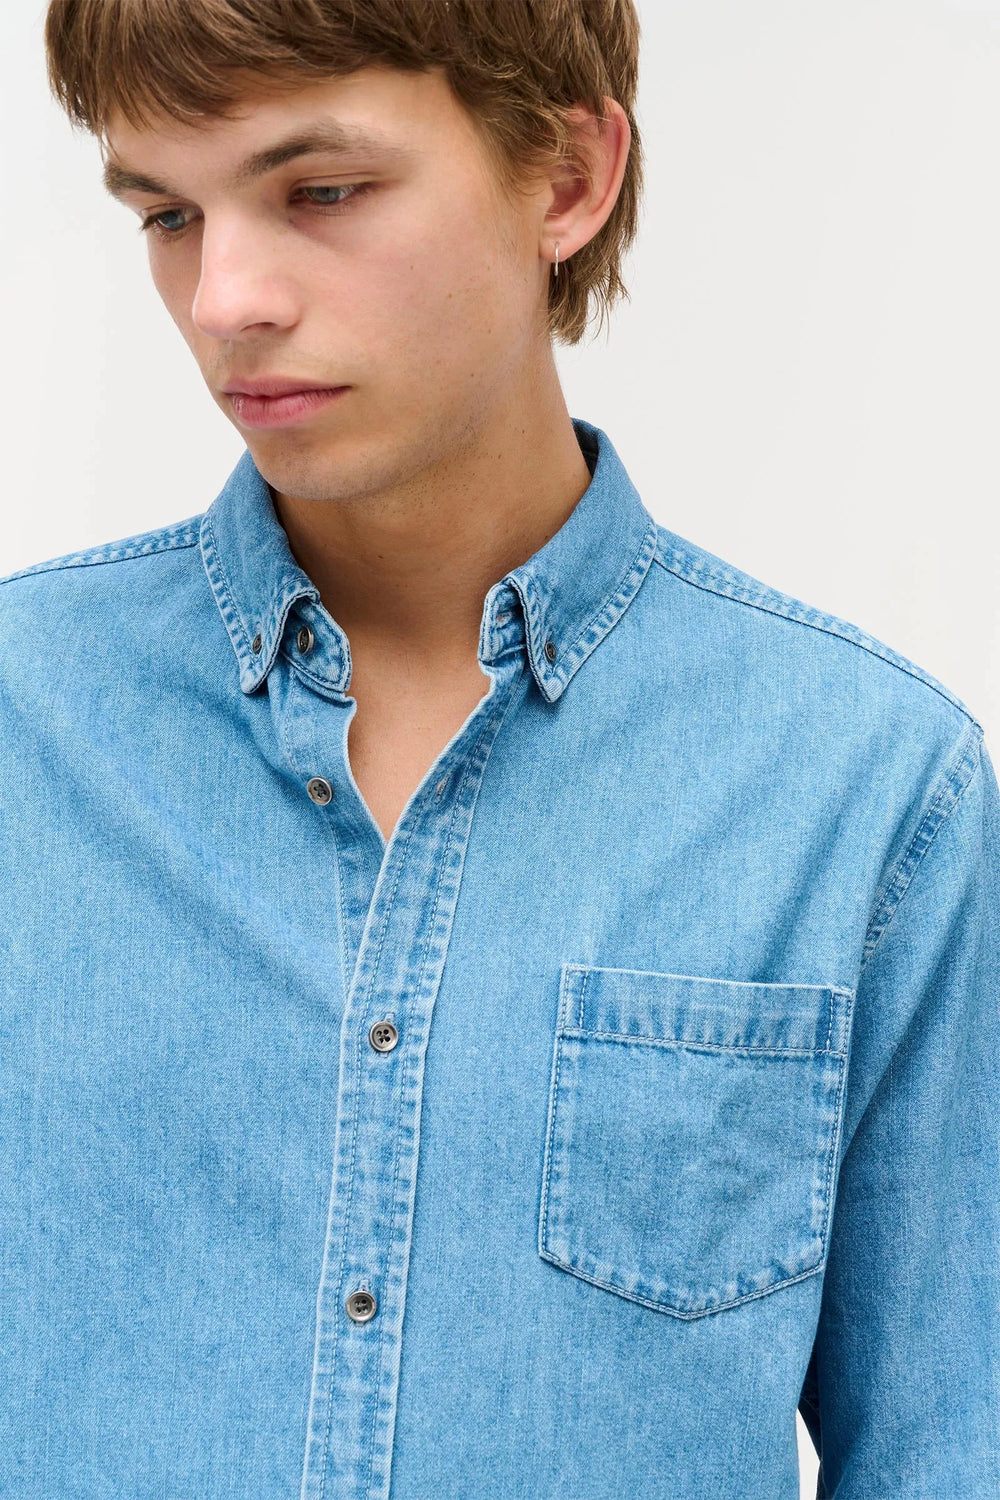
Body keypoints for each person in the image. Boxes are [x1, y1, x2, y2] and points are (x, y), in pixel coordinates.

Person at [2, 3, 996, 1496]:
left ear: (569, 177)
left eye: (322, 190)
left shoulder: (869, 791)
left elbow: (947, 1450)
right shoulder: (22, 724)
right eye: (166, 213)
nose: (224, 301)